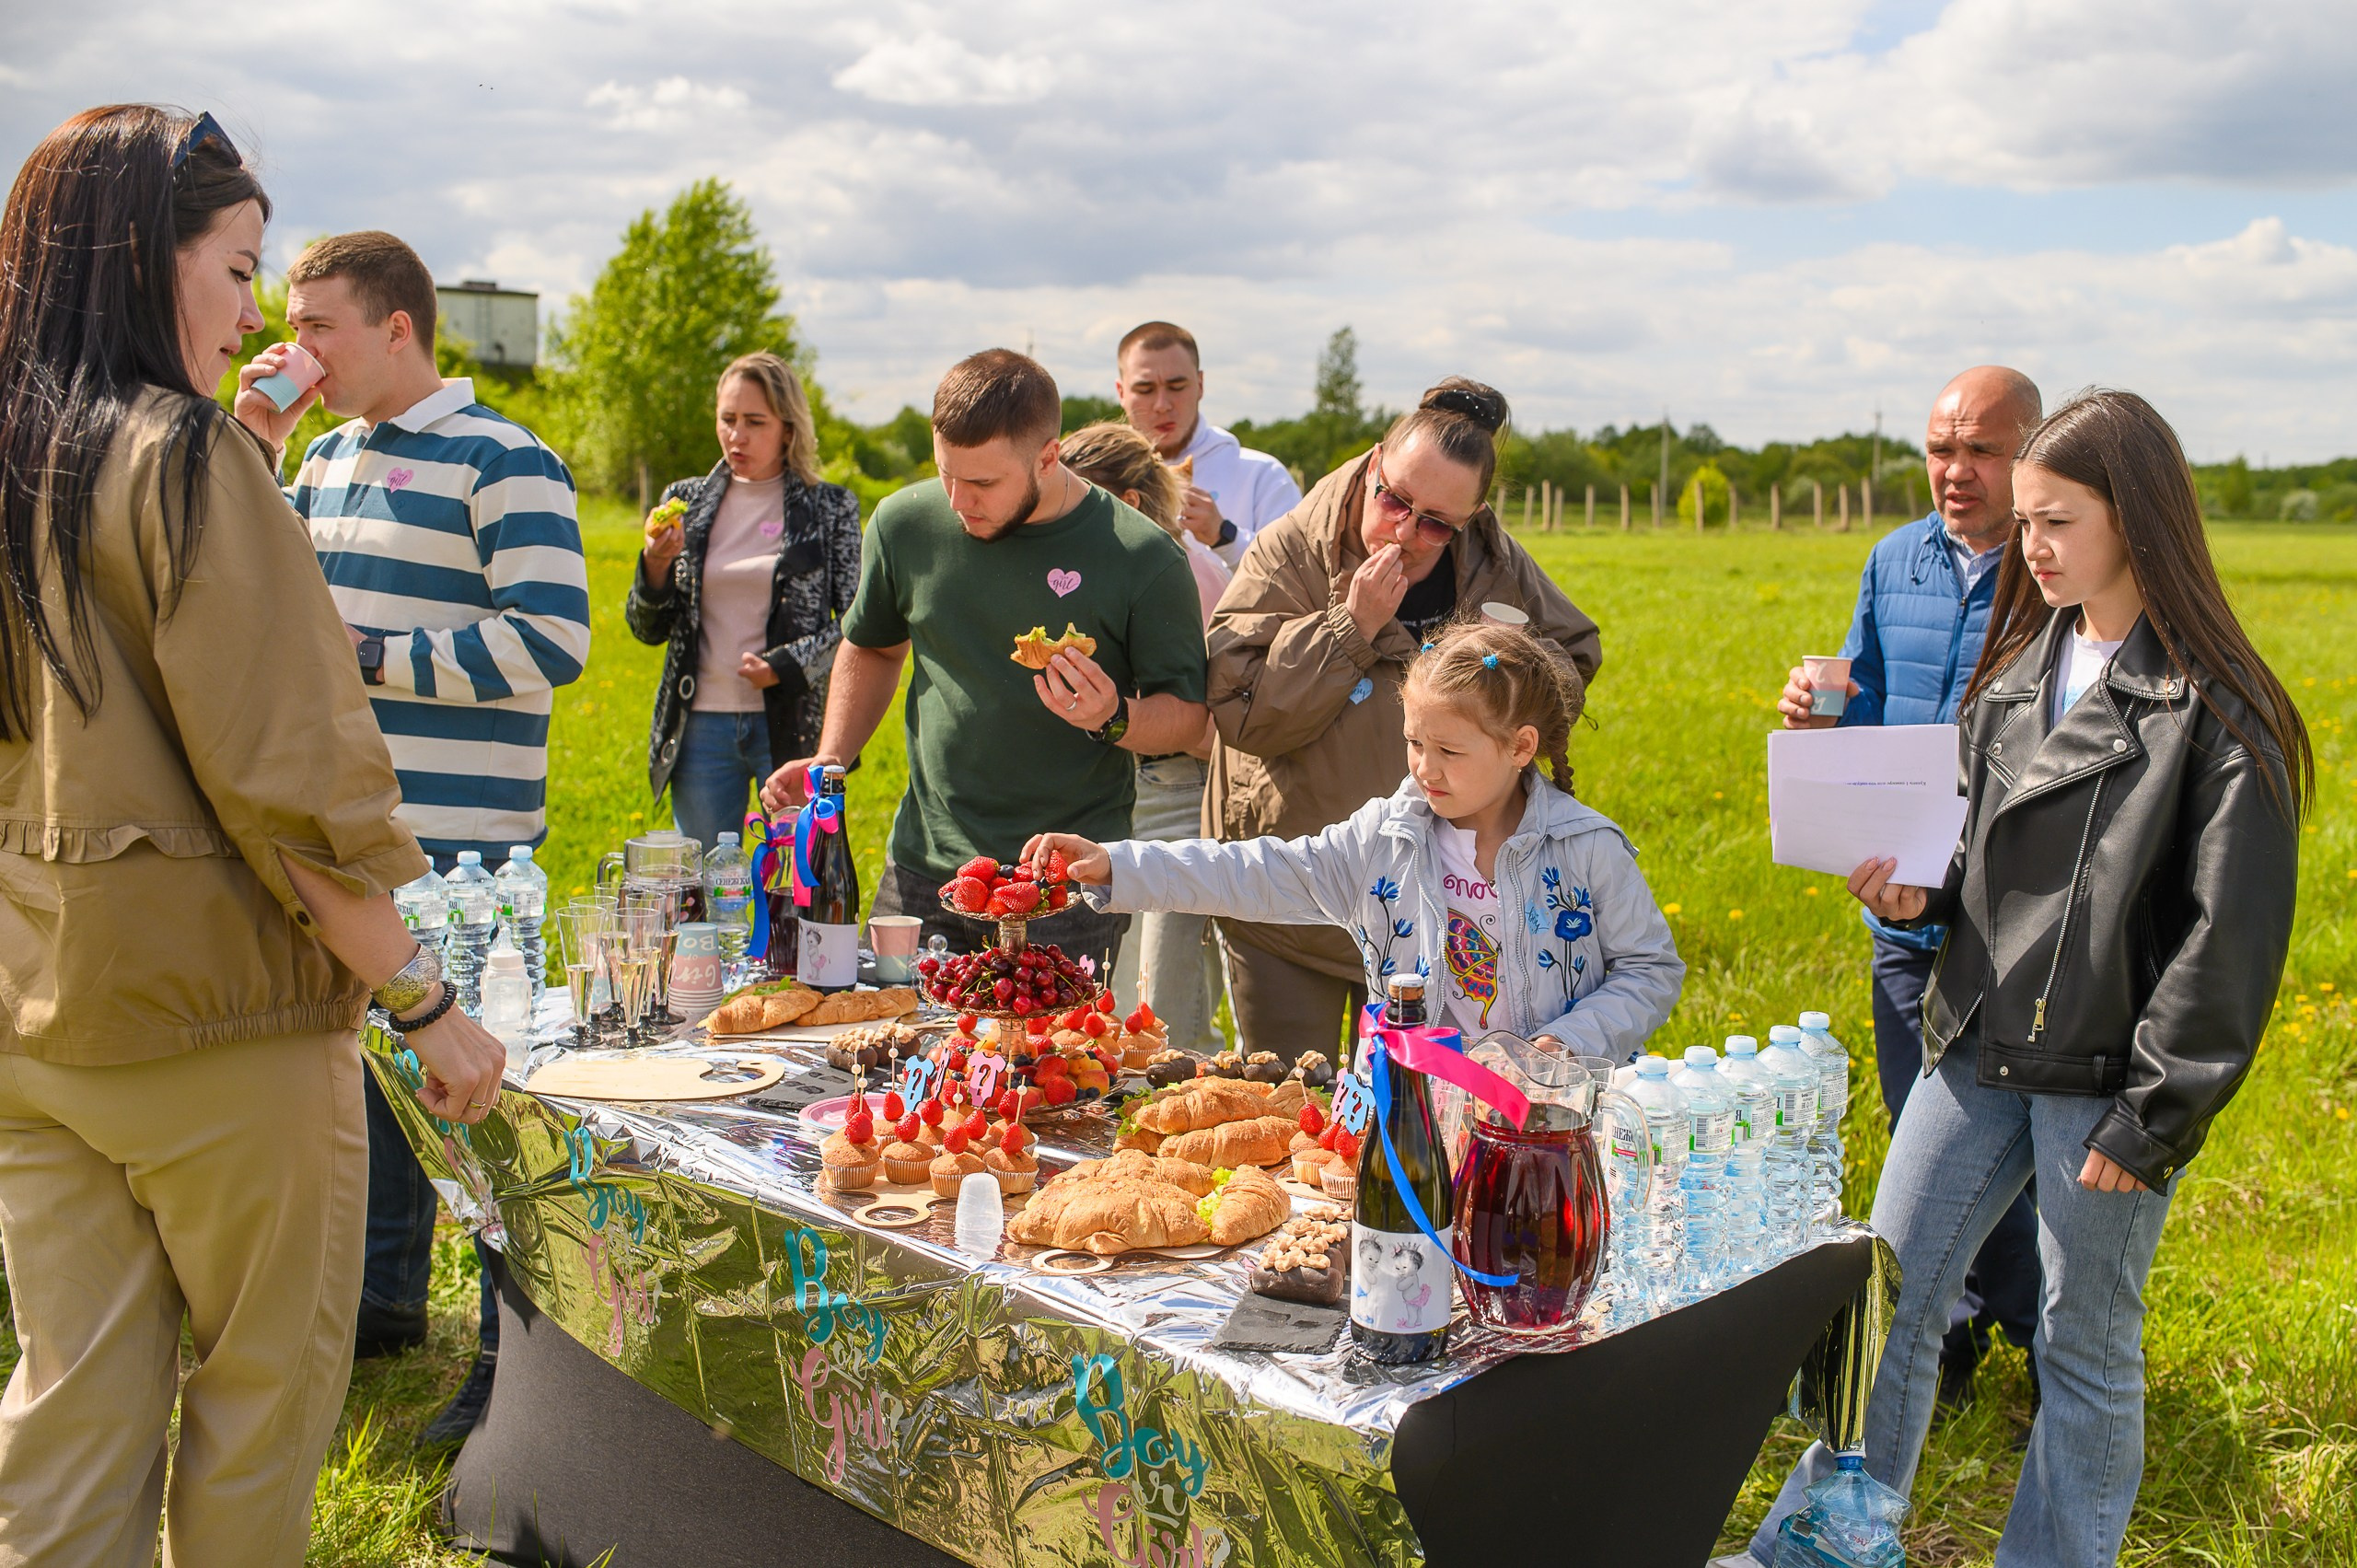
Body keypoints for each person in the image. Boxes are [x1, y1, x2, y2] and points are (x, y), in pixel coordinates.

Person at [0, 105, 505, 1566]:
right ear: (138, 263)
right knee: (260, 1404)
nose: (249, 312)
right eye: (236, 268)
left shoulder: (31, 453)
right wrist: (423, 998)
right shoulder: (181, 461)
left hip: (38, 1013)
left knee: (71, 1411)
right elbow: (291, 795)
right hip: (218, 1025)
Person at [1749, 389, 2308, 1567]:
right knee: (1882, 1302)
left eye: (2054, 520)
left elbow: (2231, 939)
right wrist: (1920, 894)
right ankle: (1818, 1545)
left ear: (2138, 520)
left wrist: (2154, 1115)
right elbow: (1982, 863)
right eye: (2027, 518)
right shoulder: (2015, 672)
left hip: (2105, 1078)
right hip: (1978, 1038)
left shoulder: (2217, 707)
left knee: (2080, 1345)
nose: (2030, 544)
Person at [236, 228, 589, 1448]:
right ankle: (387, 1303)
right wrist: (263, 447)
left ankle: (514, 1362)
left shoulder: (507, 457)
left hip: (467, 852)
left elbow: (552, 639)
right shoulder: (323, 455)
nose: (297, 347)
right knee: (369, 1082)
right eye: (292, 322)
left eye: (319, 325)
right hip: (349, 846)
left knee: (473, 1099)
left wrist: (376, 657)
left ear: (398, 328)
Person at [1024, 621, 1681, 1061]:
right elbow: (1251, 872)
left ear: (1520, 747)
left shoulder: (1587, 849)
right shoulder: (1383, 843)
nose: (1424, 767)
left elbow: (1650, 970)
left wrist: (1568, 1042)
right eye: (1414, 743)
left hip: (1554, 1127)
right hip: (1419, 1126)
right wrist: (1116, 862)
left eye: (1449, 749)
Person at [761, 351, 1210, 978]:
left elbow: (1188, 719)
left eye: (983, 484)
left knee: (1043, 1068)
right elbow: (873, 644)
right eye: (947, 474)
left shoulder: (1143, 557)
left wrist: (1113, 717)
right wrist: (833, 753)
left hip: (1066, 882)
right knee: (896, 1055)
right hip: (924, 867)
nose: (958, 500)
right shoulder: (904, 524)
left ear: (1049, 457)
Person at [1775, 366, 2046, 1404]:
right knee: (1917, 1128)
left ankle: (2037, 1338)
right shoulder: (1893, 560)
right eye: (1940, 448)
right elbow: (1869, 698)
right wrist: (1819, 711)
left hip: (2008, 908)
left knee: (2009, 1141)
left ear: (2028, 449)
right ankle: (1956, 1335)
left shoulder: (2051, 565)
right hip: (1900, 902)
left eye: (1980, 449)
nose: (1954, 471)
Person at [1204, 378, 1601, 1061]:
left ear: (1471, 518)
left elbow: (1571, 659)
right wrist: (1348, 628)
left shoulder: (1492, 564)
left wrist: (1496, 672)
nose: (1407, 532)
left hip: (1433, 901)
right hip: (1294, 899)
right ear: (1374, 462)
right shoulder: (1292, 551)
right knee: (1290, 1102)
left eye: (1437, 523)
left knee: (1419, 1116)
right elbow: (1241, 711)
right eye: (1394, 499)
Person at [625, 352, 862, 850]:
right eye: (728, 420)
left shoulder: (830, 507)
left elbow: (858, 626)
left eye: (755, 422)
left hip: (791, 725)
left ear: (788, 428)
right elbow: (647, 628)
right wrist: (656, 566)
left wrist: (785, 665)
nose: (737, 436)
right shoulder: (685, 501)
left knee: (805, 883)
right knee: (710, 887)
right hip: (700, 726)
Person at [1059, 421, 1230, 1053]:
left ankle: (1192, 1110)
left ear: (1128, 503)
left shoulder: (1194, 572)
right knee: (1123, 991)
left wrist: (1135, 717)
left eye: (1080, 500)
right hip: (1125, 783)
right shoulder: (1098, 570)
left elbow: (1219, 716)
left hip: (1183, 785)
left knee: (1169, 996)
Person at [1116, 320, 1301, 569]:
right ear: (1121, 393)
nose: (1162, 404)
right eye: (1145, 389)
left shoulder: (1262, 476)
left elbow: (1299, 577)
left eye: (1176, 387)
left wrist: (1224, 536)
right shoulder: (1096, 476)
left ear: (1200, 385)